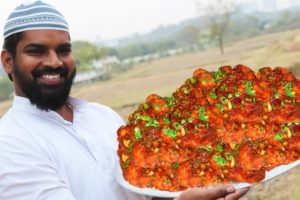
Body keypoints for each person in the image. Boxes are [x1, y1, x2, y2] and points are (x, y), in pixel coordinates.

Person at [0, 1, 249, 200]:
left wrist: (186, 192)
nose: (55, 61)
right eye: (36, 51)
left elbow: (144, 191)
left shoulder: (102, 116)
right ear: (8, 61)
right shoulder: (10, 144)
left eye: (63, 50)